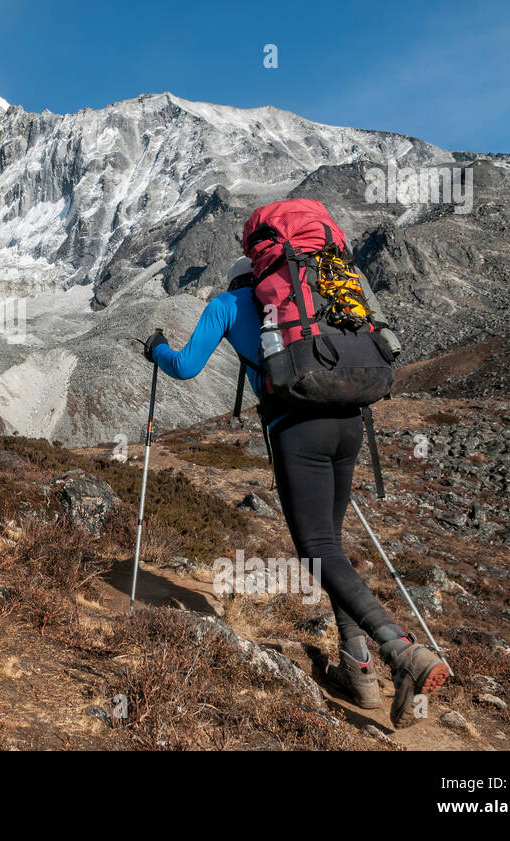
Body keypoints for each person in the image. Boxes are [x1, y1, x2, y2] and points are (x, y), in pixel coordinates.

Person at [142, 255, 449, 727]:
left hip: (298, 428)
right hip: (350, 423)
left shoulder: (228, 303)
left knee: (318, 550)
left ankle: (401, 651)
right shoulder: (319, 294)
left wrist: (156, 349)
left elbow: (184, 367)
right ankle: (359, 670)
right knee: (333, 548)